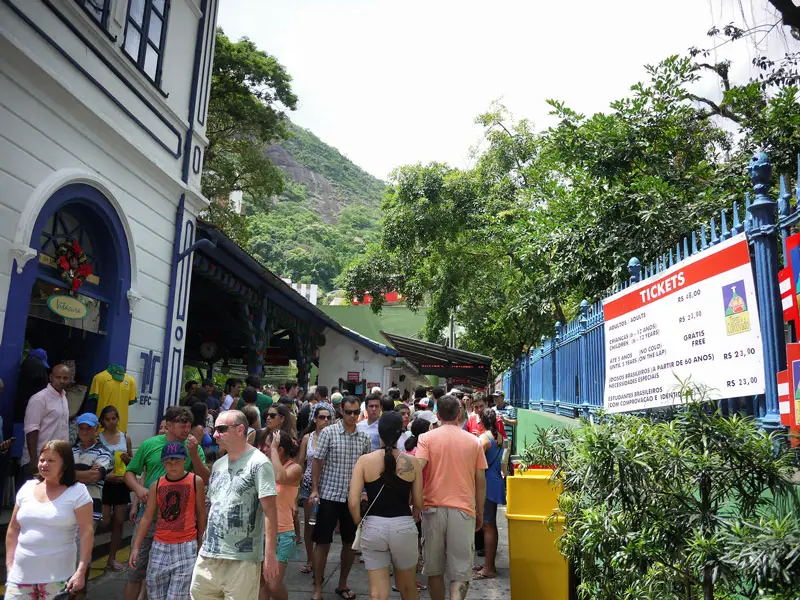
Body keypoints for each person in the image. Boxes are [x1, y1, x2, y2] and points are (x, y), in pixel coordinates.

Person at [190, 410, 279, 598]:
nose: (215, 434)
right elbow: (213, 507)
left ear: (240, 430)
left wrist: (270, 556)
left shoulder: (260, 463)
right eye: (214, 429)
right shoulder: (218, 465)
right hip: (209, 555)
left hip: (242, 559)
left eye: (221, 429)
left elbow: (270, 512)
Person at [124, 406, 209, 600]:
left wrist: (194, 454)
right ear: (168, 425)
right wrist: (138, 490)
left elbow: (204, 479)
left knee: (168, 579)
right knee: (136, 572)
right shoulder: (150, 445)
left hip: (180, 527)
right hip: (150, 517)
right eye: (182, 426)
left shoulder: (193, 447)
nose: (186, 431)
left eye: (189, 426)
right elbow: (130, 472)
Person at [416, 394, 487, 600]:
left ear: (437, 415)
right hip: (464, 510)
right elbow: (480, 481)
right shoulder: (474, 442)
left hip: (432, 509)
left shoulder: (426, 439)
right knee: (461, 572)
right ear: (459, 414)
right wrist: (479, 511)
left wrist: (417, 503)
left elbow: (418, 470)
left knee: (434, 569)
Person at [5, 440, 94, 600]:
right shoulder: (27, 488)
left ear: (65, 465)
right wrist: (9, 565)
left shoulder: (78, 492)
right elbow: (13, 529)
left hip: (57, 579)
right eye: (42, 460)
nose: (44, 464)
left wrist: (80, 571)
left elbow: (86, 533)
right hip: (20, 576)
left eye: (51, 460)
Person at [349, 412, 422, 600]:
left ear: (379, 433)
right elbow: (419, 502)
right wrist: (414, 514)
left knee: (378, 593)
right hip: (403, 526)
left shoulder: (364, 461)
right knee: (408, 588)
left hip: (373, 527)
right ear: (400, 433)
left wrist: (359, 522)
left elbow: (353, 501)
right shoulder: (412, 462)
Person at [309, 396, 371, 600]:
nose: (352, 416)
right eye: (348, 412)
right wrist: (315, 489)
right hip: (328, 494)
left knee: (349, 543)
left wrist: (364, 492)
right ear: (341, 412)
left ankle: (342, 583)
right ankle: (318, 586)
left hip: (351, 499)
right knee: (322, 541)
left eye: (355, 412)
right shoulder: (329, 432)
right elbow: (317, 462)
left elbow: (366, 469)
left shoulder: (364, 437)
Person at [260, 430, 303, 600]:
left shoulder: (295, 468)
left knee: (273, 584)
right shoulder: (262, 467)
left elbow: (280, 477)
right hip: (259, 532)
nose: (264, 449)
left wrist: (274, 448)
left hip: (282, 533)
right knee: (261, 583)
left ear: (281, 450)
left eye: (268, 446)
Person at [297, 402, 334, 574]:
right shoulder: (308, 438)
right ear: (315, 419)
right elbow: (300, 462)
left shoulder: (334, 437)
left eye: (328, 417)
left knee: (324, 524)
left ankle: (320, 561)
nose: (325, 420)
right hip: (308, 485)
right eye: (322, 417)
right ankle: (310, 559)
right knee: (309, 523)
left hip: (328, 484)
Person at [21, 364, 71, 481]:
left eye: (65, 378)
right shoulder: (39, 399)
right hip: (39, 460)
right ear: (51, 377)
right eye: (58, 377)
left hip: (55, 461)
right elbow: (31, 429)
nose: (61, 381)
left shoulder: (64, 398)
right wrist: (34, 459)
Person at [98, 405, 133, 571]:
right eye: (108, 419)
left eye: (114, 418)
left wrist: (127, 460)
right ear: (102, 421)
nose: (111, 422)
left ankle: (112, 559)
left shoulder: (125, 438)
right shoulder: (98, 438)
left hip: (120, 484)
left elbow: (132, 464)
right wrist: (105, 476)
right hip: (104, 484)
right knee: (104, 521)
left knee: (119, 522)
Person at [473, 409, 506, 581]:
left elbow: (473, 459)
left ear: (481, 421)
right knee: (491, 524)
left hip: (486, 485)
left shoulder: (484, 438)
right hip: (495, 482)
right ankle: (489, 564)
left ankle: (488, 568)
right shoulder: (499, 437)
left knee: (487, 525)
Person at [73, 413, 114, 527]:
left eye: (89, 428)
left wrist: (69, 474)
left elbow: (94, 476)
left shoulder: (104, 452)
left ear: (96, 428)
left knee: (82, 544)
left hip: (90, 508)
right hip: (69, 507)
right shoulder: (71, 450)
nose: (85, 432)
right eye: (82, 428)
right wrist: (86, 472)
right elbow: (59, 474)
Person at [492, 390, 517, 471]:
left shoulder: (510, 409)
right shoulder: (492, 410)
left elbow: (515, 422)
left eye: (497, 397)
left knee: (504, 460)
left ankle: (504, 478)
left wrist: (505, 420)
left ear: (502, 397)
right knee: (495, 459)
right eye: (494, 397)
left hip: (506, 439)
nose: (494, 398)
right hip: (495, 439)